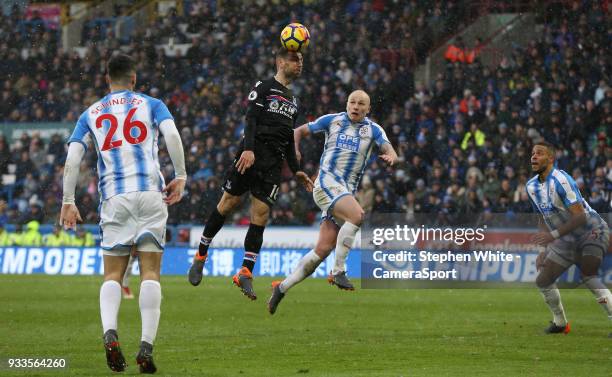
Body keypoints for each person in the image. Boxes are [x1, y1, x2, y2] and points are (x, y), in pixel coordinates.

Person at [60, 53, 186, 373]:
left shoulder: (90, 113)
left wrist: (68, 200)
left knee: (113, 274)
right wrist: (181, 175)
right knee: (150, 272)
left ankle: (110, 333)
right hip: (149, 193)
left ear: (107, 79)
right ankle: (146, 345)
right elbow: (171, 135)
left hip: (114, 197)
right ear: (133, 79)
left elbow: (74, 158)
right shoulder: (152, 104)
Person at [188, 47, 313, 300]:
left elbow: (288, 139)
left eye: (301, 60)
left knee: (261, 215)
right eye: (294, 59)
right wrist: (248, 150)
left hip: (273, 165)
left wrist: (297, 170)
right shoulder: (264, 87)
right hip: (251, 155)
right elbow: (250, 119)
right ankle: (201, 254)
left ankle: (245, 272)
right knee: (228, 204)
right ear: (280, 62)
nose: (299, 63)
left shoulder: (294, 100)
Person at [267, 89, 398, 314]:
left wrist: (392, 156)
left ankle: (282, 287)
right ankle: (338, 271)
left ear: (368, 109)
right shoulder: (332, 120)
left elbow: (389, 148)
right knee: (357, 215)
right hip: (326, 183)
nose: (355, 106)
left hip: (343, 193)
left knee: (323, 248)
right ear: (347, 104)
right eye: (352, 102)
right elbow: (297, 131)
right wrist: (295, 152)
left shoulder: (374, 130)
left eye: (361, 104)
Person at [527, 141, 611, 336]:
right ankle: (560, 323)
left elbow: (581, 216)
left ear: (551, 159)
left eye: (539, 153)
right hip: (568, 239)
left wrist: (553, 236)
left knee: (588, 274)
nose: (533, 156)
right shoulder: (531, 187)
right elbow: (541, 218)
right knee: (543, 280)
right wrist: (542, 251)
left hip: (592, 230)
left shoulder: (561, 181)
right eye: (532, 153)